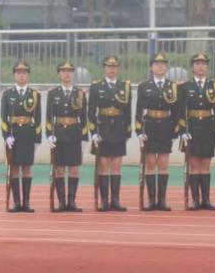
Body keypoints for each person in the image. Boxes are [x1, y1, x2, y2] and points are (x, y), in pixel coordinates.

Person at [135, 53, 180, 211]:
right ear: (151, 67)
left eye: (163, 64)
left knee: (163, 164)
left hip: (166, 127)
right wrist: (139, 131)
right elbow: (139, 110)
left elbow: (176, 111)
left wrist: (175, 131)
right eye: (156, 64)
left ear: (166, 67)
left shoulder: (173, 86)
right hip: (150, 127)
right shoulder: (144, 86)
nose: (160, 67)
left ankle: (162, 200)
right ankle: (151, 200)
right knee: (150, 164)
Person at [178, 52, 215, 210]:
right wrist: (182, 130)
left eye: (204, 64)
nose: (201, 66)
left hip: (208, 128)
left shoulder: (213, 85)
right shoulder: (185, 87)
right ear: (192, 67)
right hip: (192, 128)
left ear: (207, 67)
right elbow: (180, 110)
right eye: (197, 64)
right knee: (194, 165)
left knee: (206, 165)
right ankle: (195, 200)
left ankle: (206, 199)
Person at [88, 55, 132, 211]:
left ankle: (115, 200)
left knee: (117, 166)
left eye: (114, 66)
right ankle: (104, 201)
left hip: (119, 129)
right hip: (103, 130)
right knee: (103, 166)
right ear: (104, 68)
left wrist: (127, 132)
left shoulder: (125, 86)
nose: (111, 69)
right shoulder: (96, 87)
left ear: (118, 68)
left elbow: (128, 111)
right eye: (108, 66)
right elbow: (91, 111)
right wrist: (93, 132)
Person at [45, 60, 87, 212]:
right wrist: (49, 134)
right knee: (60, 170)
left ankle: (72, 202)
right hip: (59, 135)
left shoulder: (80, 94)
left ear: (73, 74)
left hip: (74, 134)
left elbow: (84, 117)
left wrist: (84, 137)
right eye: (63, 71)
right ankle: (62, 202)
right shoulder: (53, 93)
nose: (66, 74)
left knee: (74, 169)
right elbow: (49, 117)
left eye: (69, 71)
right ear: (59, 74)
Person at [1, 61, 42, 213]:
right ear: (14, 75)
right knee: (13, 168)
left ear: (28, 75)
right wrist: (6, 136)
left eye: (24, 73)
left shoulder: (34, 95)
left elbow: (38, 118)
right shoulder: (7, 94)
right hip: (13, 135)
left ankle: (26, 202)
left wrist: (37, 139)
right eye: (18, 73)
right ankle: (16, 202)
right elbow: (3, 118)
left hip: (28, 135)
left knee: (26, 168)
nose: (21, 76)